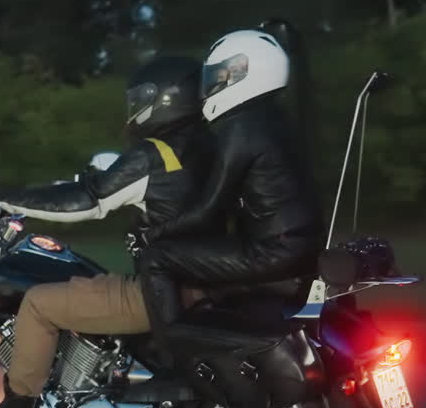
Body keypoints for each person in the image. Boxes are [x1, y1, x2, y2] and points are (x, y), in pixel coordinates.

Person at [0, 55, 213, 408]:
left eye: (141, 98)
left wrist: (8, 200)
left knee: (39, 303)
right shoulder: (200, 150)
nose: (134, 107)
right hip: (198, 279)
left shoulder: (154, 154)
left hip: (159, 290)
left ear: (165, 100)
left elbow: (88, 201)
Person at [138, 27, 325, 335]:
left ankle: (177, 344)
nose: (214, 84)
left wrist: (152, 234)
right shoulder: (277, 118)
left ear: (250, 71)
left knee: (157, 259)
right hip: (301, 245)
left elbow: (209, 208)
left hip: (272, 252)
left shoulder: (241, 127)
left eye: (224, 74)